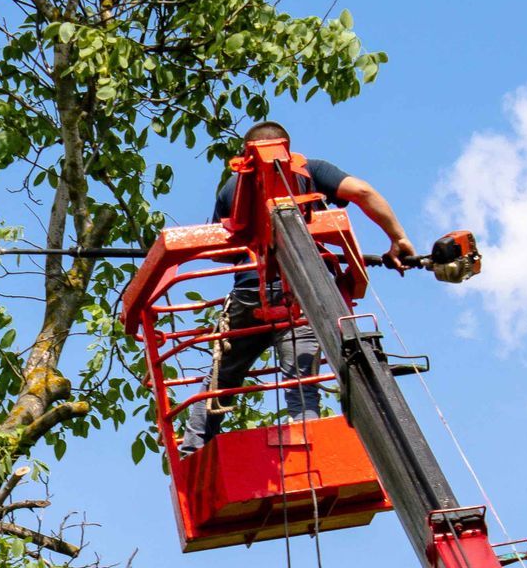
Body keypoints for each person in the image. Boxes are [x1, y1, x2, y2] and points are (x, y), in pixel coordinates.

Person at [179, 120, 418, 455]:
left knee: (221, 380)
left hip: (250, 295)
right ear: (288, 148)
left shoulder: (232, 188)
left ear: (245, 154)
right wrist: (398, 238)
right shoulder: (312, 170)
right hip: (302, 293)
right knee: (302, 383)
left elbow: (224, 250)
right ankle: (308, 453)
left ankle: (193, 452)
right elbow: (363, 192)